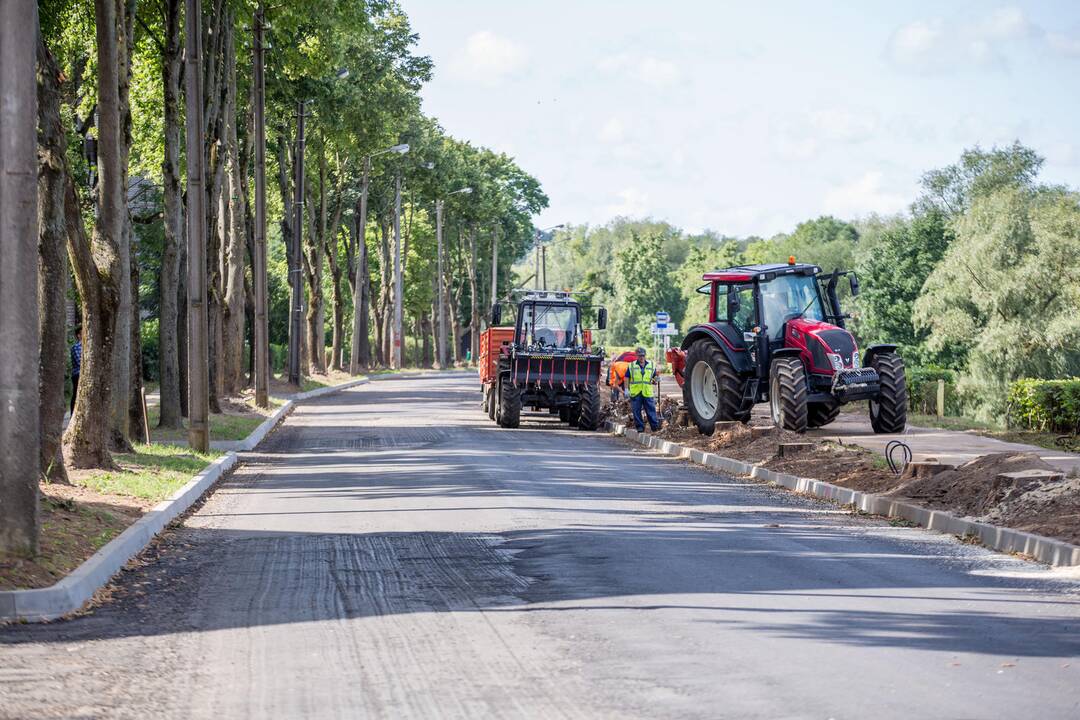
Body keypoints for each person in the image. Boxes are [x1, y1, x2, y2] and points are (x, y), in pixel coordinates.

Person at [627, 346, 660, 432]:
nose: (641, 357)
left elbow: (655, 377)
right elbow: (627, 378)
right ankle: (640, 427)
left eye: (643, 355)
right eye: (640, 356)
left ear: (645, 356)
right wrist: (627, 390)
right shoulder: (631, 366)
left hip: (647, 392)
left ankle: (655, 427)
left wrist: (656, 380)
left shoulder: (651, 365)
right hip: (636, 392)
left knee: (651, 410)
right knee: (636, 411)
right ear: (636, 356)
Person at [70, 323, 83, 414]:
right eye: (82, 333)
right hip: (78, 374)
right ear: (78, 335)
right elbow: (80, 362)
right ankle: (72, 415)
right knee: (76, 395)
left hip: (84, 374)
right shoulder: (76, 347)